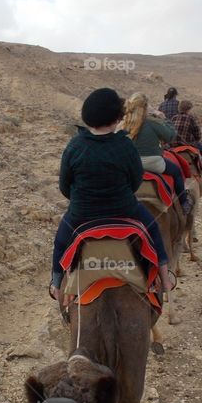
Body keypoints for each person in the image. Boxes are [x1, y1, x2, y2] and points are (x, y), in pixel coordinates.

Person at [51, 88, 171, 307]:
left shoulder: (75, 145)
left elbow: (64, 187)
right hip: (125, 209)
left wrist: (80, 200)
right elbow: (135, 181)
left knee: (61, 240)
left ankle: (56, 282)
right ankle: (164, 277)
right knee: (153, 228)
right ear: (117, 118)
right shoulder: (125, 145)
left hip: (81, 214)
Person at [122, 92, 191, 213]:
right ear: (145, 107)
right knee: (176, 172)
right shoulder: (151, 122)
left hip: (130, 165)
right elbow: (171, 136)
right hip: (153, 163)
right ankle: (184, 202)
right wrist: (164, 118)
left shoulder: (123, 125)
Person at [170, 100, 202, 176]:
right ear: (188, 109)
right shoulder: (190, 118)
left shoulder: (174, 118)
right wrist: (197, 140)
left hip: (173, 145)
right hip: (188, 144)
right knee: (201, 148)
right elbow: (197, 134)